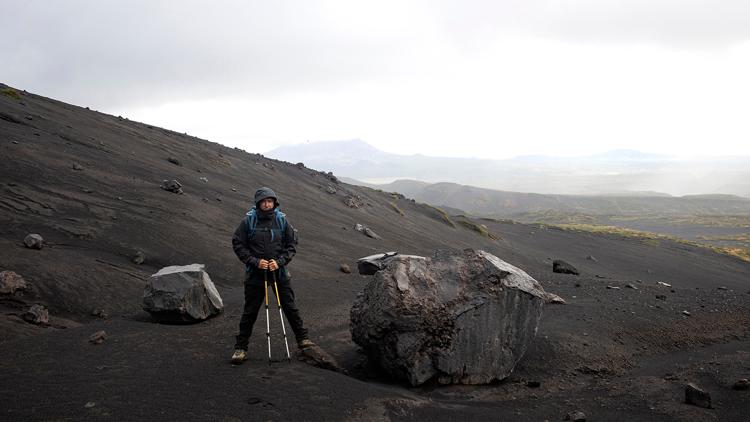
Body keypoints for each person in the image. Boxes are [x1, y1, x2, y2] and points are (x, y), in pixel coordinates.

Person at [230, 187, 313, 364]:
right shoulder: (248, 221)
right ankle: (240, 348)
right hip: (255, 274)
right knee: (250, 312)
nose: (267, 204)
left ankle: (303, 339)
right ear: (258, 203)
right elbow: (238, 244)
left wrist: (280, 262)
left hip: (279, 272)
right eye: (263, 201)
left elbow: (291, 245)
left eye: (270, 201)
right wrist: (254, 261)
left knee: (290, 306)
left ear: (274, 203)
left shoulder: (282, 220)